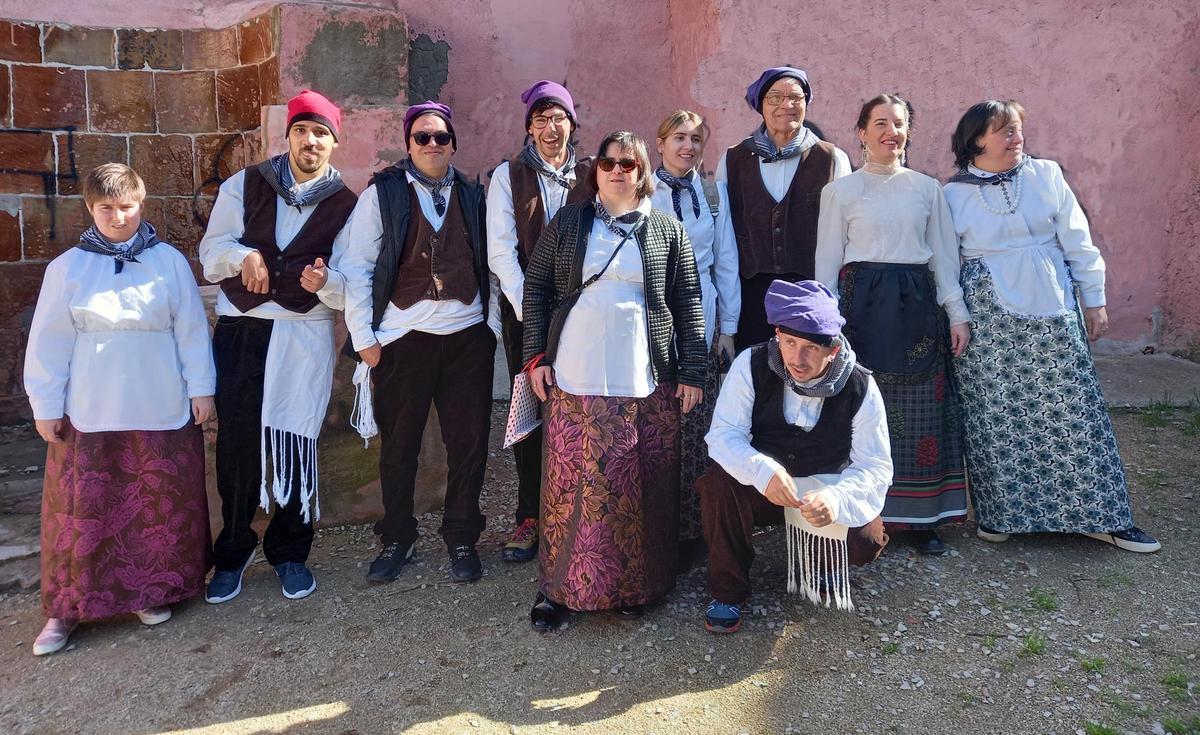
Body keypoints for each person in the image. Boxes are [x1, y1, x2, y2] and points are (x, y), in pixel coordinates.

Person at [943, 100, 1160, 553]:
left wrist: (1094, 299)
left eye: (1017, 128)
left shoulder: (1046, 175)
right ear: (976, 140)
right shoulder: (952, 195)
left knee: (1073, 409)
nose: (1015, 137)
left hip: (1053, 305)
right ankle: (1003, 515)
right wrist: (958, 317)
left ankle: (1104, 516)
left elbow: (1077, 238)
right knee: (996, 414)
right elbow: (945, 264)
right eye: (1004, 131)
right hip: (988, 318)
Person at [24, 163, 216, 655]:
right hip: (91, 408)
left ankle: (149, 593)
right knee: (81, 513)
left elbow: (191, 330)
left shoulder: (169, 262)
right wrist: (45, 404)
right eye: (106, 208)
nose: (117, 217)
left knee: (156, 509)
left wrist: (202, 389)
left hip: (160, 404)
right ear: (90, 208)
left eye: (126, 206)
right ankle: (65, 611)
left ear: (141, 204)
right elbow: (48, 342)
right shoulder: (67, 269)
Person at [522, 130, 706, 631]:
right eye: (608, 163)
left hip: (643, 375)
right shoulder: (570, 222)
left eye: (629, 163)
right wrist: (536, 356)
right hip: (574, 372)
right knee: (570, 484)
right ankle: (558, 590)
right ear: (595, 171)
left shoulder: (666, 229)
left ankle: (635, 587)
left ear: (643, 172)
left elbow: (688, 300)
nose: (618, 170)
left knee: (637, 480)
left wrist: (691, 371)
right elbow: (537, 285)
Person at [199, 89, 358, 603]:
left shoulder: (347, 203)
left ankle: (289, 552)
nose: (310, 141)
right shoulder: (245, 184)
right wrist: (243, 254)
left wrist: (325, 283)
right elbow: (210, 252)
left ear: (334, 142)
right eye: (301, 131)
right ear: (287, 135)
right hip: (242, 328)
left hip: (303, 332)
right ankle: (234, 550)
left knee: (297, 441)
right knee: (239, 444)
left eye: (321, 133)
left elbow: (353, 277)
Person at [342, 101, 500, 585]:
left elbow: (491, 267)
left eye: (441, 137)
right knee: (399, 447)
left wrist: (490, 327)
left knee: (469, 447)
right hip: (403, 339)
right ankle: (398, 536)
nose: (433, 145)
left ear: (453, 144)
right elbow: (358, 267)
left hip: (466, 339)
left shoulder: (474, 196)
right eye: (422, 138)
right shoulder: (383, 196)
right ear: (408, 144)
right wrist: (364, 338)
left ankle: (461, 537)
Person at [814, 94, 970, 555]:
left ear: (908, 132)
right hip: (860, 308)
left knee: (922, 410)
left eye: (899, 123)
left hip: (917, 310)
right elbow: (826, 263)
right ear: (861, 132)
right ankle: (861, 517)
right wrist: (826, 325)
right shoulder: (840, 191)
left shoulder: (927, 189)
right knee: (860, 413)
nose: (891, 132)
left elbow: (944, 258)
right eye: (880, 123)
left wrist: (957, 314)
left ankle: (923, 520)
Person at [700, 279, 892, 634]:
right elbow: (724, 435)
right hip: (764, 490)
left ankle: (823, 560)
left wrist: (835, 500)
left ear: (832, 350)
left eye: (809, 348)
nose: (796, 358)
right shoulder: (751, 364)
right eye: (789, 343)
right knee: (717, 483)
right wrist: (762, 470)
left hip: (823, 490)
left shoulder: (860, 386)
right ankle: (728, 589)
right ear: (777, 335)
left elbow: (875, 466)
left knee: (865, 542)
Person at [487, 81, 592, 563]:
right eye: (541, 120)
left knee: (583, 409)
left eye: (559, 118)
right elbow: (501, 252)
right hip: (527, 313)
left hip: (586, 315)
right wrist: (534, 311)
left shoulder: (594, 172)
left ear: (573, 124)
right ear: (529, 127)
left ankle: (581, 511)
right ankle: (530, 515)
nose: (551, 128)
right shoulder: (507, 177)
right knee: (530, 409)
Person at [651, 110, 741, 556]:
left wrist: (729, 327)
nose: (687, 147)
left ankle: (692, 529)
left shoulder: (713, 193)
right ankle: (652, 524)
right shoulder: (640, 190)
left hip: (700, 319)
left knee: (695, 426)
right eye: (679, 137)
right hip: (649, 318)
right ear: (660, 143)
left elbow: (726, 262)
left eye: (695, 139)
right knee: (654, 422)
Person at [716, 66, 851, 350]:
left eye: (795, 97)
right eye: (775, 97)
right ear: (761, 105)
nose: (786, 105)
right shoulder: (733, 160)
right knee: (755, 381)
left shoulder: (832, 159)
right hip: (750, 298)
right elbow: (724, 239)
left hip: (810, 292)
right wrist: (728, 320)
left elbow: (840, 238)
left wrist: (832, 303)